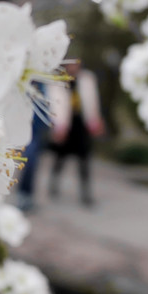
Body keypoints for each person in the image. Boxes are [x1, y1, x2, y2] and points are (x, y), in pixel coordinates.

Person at [48, 63, 104, 206]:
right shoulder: (58, 82)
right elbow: (54, 105)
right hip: (65, 126)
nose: (74, 68)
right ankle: (53, 185)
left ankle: (86, 194)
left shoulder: (87, 79)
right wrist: (57, 127)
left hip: (81, 126)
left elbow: (93, 101)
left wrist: (96, 121)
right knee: (60, 159)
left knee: (84, 161)